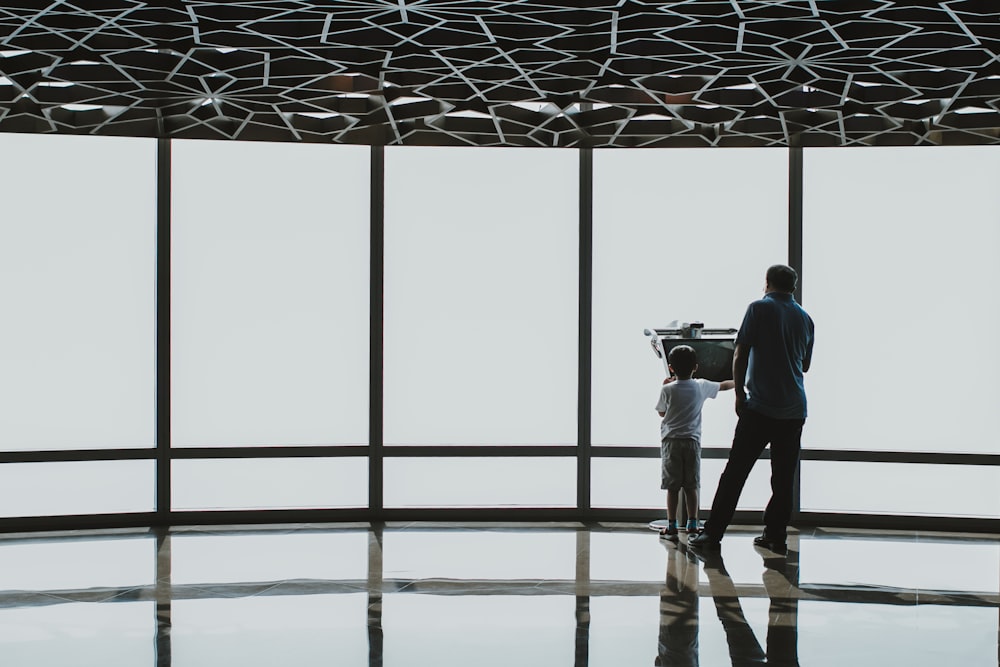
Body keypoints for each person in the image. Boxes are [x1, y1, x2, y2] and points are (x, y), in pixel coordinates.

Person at [690, 264, 814, 555]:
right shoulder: (806, 319)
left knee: (735, 473)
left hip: (760, 406)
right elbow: (805, 365)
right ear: (793, 287)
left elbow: (740, 352)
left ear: (767, 283)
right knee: (783, 479)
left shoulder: (758, 309)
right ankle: (775, 536)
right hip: (794, 409)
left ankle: (712, 535)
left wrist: (740, 395)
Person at [656, 345, 734, 537]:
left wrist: (664, 384)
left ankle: (672, 525)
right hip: (691, 441)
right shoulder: (701, 386)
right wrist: (740, 380)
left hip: (671, 442)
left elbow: (661, 412)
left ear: (671, 368)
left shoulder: (667, 389)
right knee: (692, 486)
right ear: (696, 367)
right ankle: (692, 523)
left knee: (672, 487)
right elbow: (723, 385)